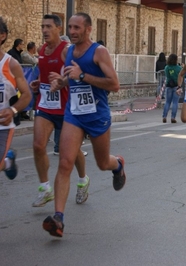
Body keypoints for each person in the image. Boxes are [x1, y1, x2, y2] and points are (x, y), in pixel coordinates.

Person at [42, 12, 126, 237]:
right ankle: (58, 218)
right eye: (70, 27)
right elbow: (70, 76)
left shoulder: (98, 51)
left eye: (77, 27)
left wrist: (82, 77)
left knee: (102, 163)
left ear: (88, 29)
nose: (72, 31)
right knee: (65, 162)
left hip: (97, 116)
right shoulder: (68, 51)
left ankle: (117, 165)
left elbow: (115, 84)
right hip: (74, 115)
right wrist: (61, 83)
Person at [29, 14, 89, 208]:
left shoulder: (66, 51)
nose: (44, 30)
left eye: (48, 26)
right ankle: (45, 189)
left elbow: (77, 78)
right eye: (42, 26)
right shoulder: (41, 50)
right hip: (45, 105)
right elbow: (44, 74)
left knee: (71, 152)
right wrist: (39, 83)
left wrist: (63, 82)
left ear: (58, 29)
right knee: (38, 146)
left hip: (65, 109)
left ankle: (82, 180)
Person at [0, 17, 31, 180]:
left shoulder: (11, 64)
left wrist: (12, 110)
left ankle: (7, 162)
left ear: (2, 36)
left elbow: (27, 95)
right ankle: (7, 162)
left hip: (3, 125)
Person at [162, 53, 181, 123]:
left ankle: (164, 116)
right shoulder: (178, 68)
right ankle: (173, 117)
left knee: (167, 102)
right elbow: (182, 75)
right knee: (175, 102)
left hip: (168, 85)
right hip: (176, 86)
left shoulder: (167, 67)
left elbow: (166, 75)